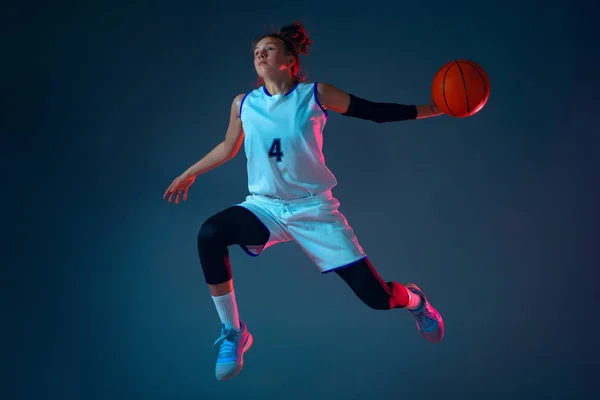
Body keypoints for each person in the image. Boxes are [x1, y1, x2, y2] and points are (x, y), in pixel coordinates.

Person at [163, 21, 445, 381]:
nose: (260, 55)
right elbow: (227, 147)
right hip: (265, 207)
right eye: (256, 52)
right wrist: (191, 171)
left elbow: (374, 111)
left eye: (268, 49)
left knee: (378, 298)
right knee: (210, 233)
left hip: (313, 209)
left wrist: (432, 109)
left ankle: (416, 300)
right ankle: (235, 332)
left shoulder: (315, 95)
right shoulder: (244, 104)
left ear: (290, 61)